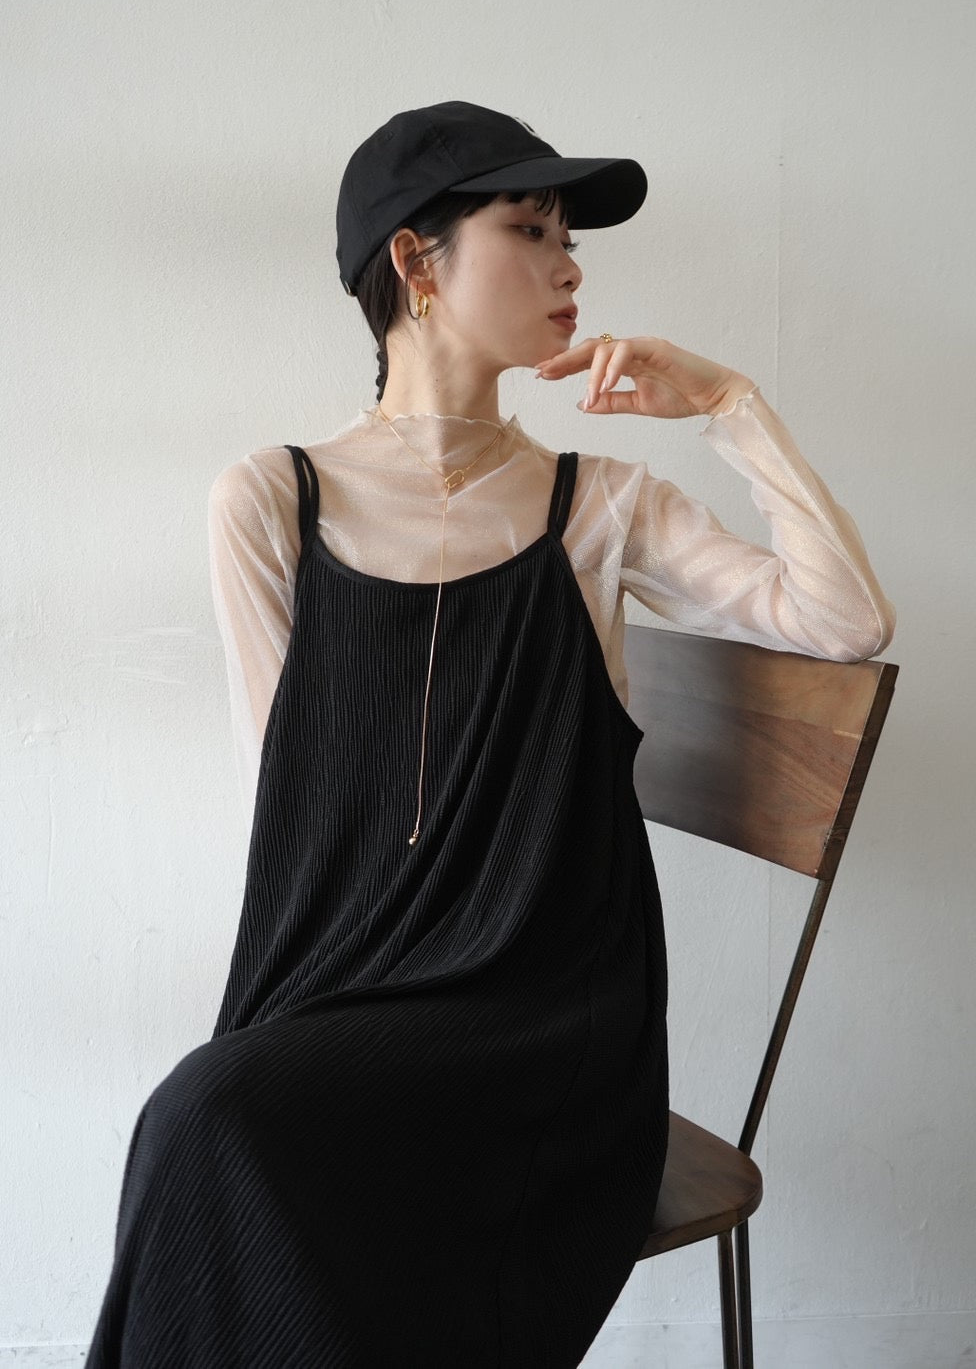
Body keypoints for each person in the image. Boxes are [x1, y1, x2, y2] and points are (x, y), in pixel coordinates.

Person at [87, 100, 894, 1367]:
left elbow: (845, 622)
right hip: (355, 973)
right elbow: (286, 799)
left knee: (212, 1122)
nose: (570, 268)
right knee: (211, 1125)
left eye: (570, 239)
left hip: (552, 1014)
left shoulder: (599, 504)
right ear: (415, 261)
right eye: (530, 228)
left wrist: (730, 404)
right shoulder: (272, 500)